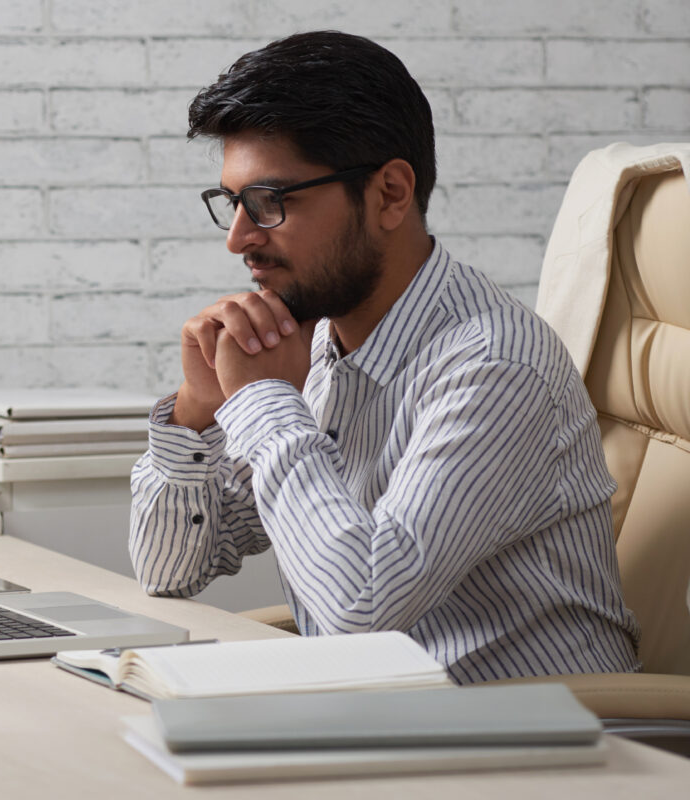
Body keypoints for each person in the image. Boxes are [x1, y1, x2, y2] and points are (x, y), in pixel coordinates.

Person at [128, 31, 640, 684]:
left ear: (390, 194)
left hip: (533, 746)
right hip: (385, 719)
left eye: (269, 202)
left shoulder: (493, 369)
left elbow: (362, 607)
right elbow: (169, 571)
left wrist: (262, 404)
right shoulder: (313, 345)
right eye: (232, 203)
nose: (237, 240)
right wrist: (198, 414)